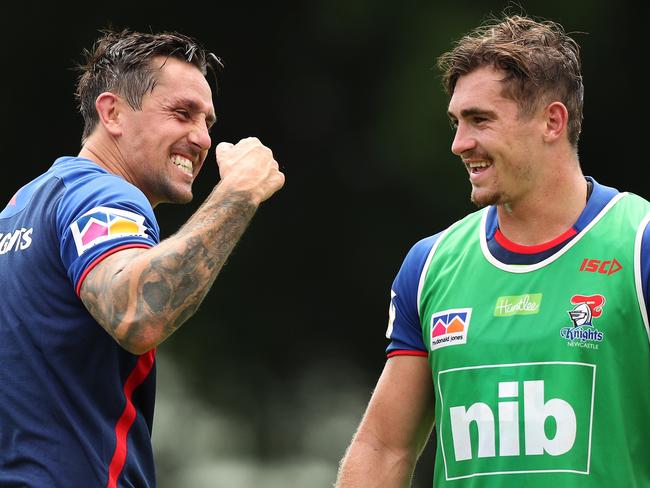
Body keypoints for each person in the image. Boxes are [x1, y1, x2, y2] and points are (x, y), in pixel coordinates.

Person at [336, 13, 650, 487]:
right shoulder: (431, 265)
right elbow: (383, 448)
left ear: (552, 121)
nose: (460, 144)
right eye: (456, 122)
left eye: (480, 120)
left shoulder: (639, 243)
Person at [0, 29, 284, 487]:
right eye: (181, 114)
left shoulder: (19, 210)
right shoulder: (101, 194)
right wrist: (238, 194)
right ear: (112, 112)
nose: (202, 139)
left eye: (207, 122)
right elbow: (136, 314)